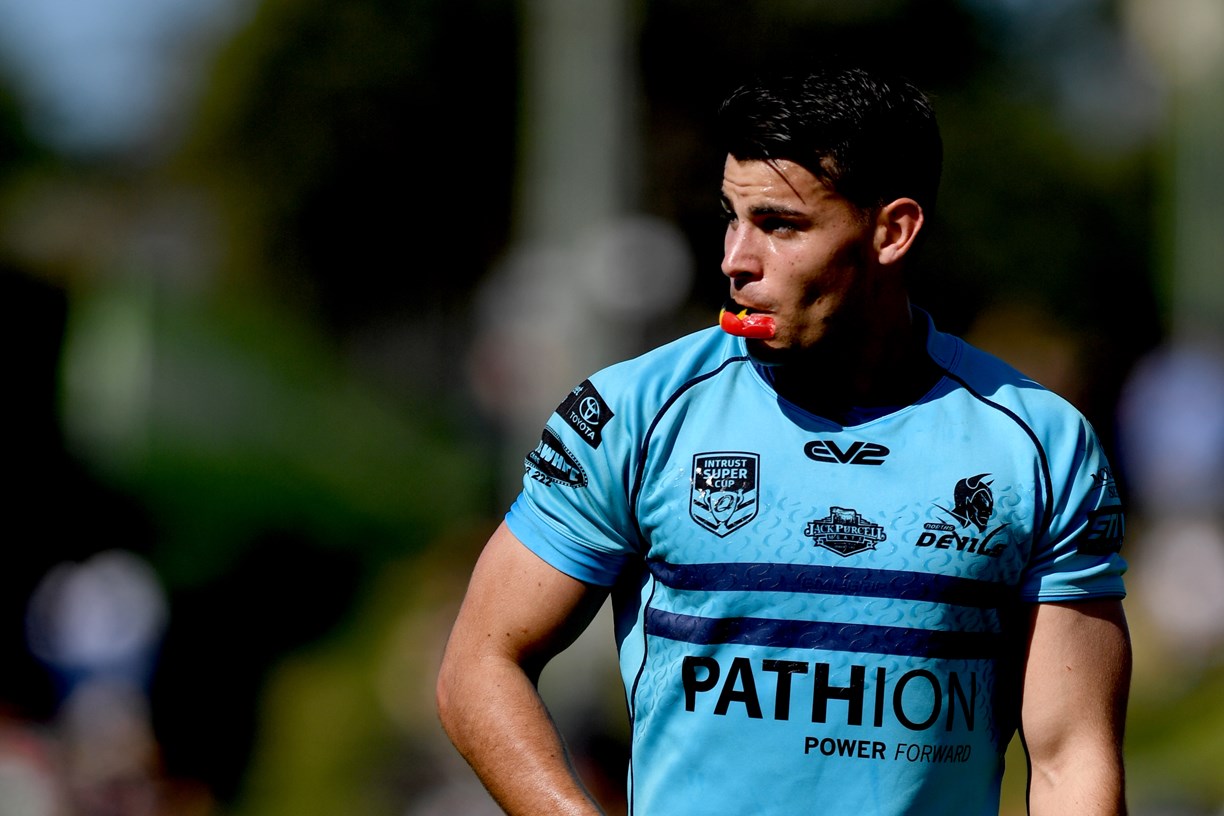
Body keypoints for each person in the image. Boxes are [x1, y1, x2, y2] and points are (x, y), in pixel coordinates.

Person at [436, 65, 1131, 816]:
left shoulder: (1039, 445)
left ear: (892, 232)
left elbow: (1072, 759)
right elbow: (480, 664)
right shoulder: (633, 414)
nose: (736, 259)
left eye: (779, 225)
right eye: (732, 218)